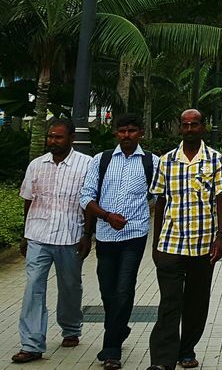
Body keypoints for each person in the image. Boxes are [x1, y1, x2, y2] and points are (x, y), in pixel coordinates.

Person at [147, 109, 222, 370]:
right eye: (184, 125)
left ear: (202, 127)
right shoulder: (166, 161)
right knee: (169, 302)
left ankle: (186, 350)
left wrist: (219, 237)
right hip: (171, 243)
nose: (189, 129)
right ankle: (162, 361)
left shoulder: (215, 160)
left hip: (203, 243)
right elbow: (160, 202)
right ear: (179, 129)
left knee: (196, 302)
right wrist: (155, 243)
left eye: (194, 125)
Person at [13, 119, 94, 364]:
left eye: (58, 137)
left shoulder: (87, 165)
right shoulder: (36, 165)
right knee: (33, 287)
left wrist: (87, 236)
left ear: (71, 139)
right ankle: (32, 343)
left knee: (70, 286)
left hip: (70, 237)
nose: (53, 141)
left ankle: (70, 328)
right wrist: (26, 234)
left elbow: (89, 204)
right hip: (38, 235)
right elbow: (29, 199)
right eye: (50, 137)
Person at [81, 113, 155, 370]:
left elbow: (161, 196)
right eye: (122, 131)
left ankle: (111, 350)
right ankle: (120, 327)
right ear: (115, 133)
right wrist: (106, 216)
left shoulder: (151, 162)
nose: (127, 135)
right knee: (107, 290)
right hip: (105, 235)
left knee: (124, 289)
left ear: (140, 133)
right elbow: (86, 197)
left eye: (132, 131)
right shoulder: (100, 161)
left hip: (134, 235)